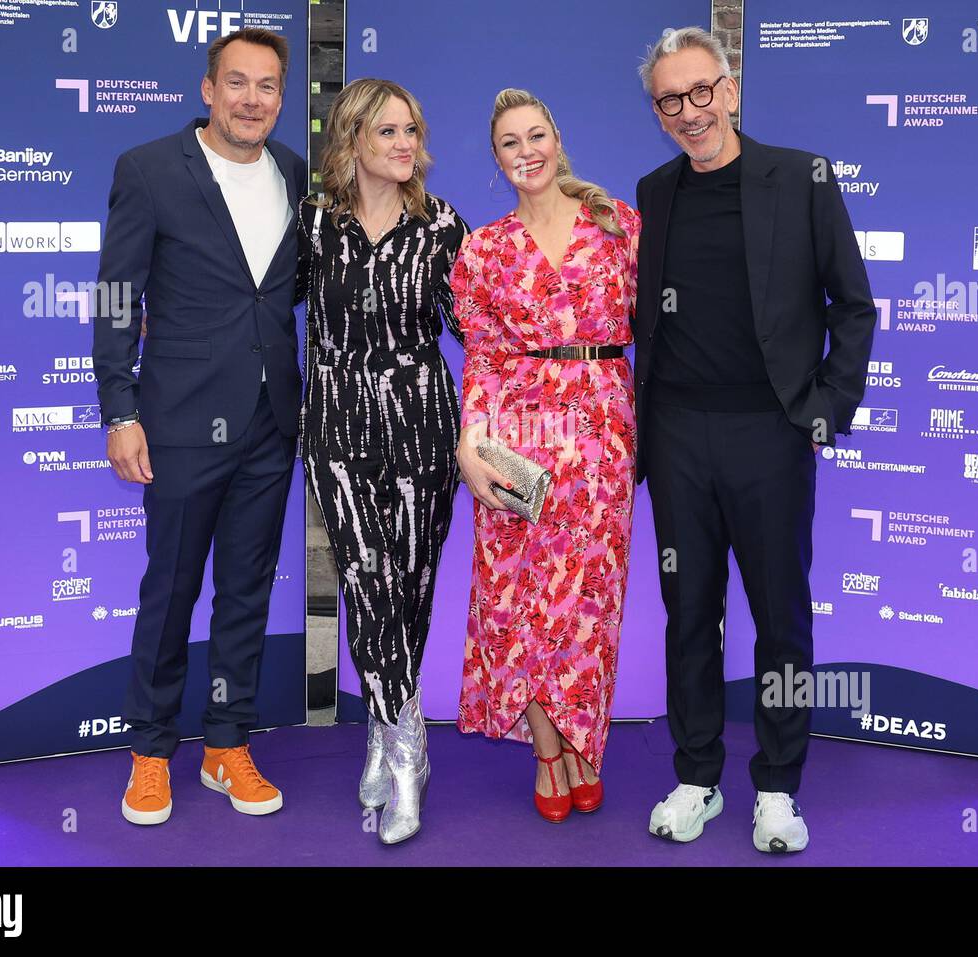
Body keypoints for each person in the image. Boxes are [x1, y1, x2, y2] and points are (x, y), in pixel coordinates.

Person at [634, 27, 876, 851]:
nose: (690, 112)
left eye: (702, 92)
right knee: (688, 613)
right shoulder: (655, 190)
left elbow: (855, 304)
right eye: (671, 99)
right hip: (675, 436)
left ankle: (777, 785)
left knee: (781, 617)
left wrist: (824, 410)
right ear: (658, 112)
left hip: (770, 435)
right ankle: (697, 775)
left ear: (730, 90)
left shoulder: (801, 177)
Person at [93, 28, 307, 826]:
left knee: (246, 591)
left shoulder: (292, 171)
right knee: (172, 591)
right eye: (238, 83)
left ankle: (226, 742)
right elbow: (118, 299)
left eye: (268, 87)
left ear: (281, 98)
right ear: (209, 90)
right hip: (179, 421)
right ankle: (151, 752)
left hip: (269, 421)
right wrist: (119, 410)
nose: (254, 100)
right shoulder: (148, 170)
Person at [454, 88, 639, 823]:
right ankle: (546, 747)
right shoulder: (485, 249)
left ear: (558, 141)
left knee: (590, 600)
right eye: (509, 142)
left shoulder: (619, 225)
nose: (526, 150)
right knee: (518, 599)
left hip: (602, 435)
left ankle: (583, 738)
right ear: (496, 158)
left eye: (536, 135)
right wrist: (470, 446)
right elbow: (479, 359)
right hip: (517, 438)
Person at [296, 78, 468, 844]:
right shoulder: (313, 223)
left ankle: (379, 726)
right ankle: (409, 752)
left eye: (413, 130)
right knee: (364, 577)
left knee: (410, 587)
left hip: (422, 422)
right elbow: (263, 306)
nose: (406, 145)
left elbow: (482, 334)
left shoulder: (441, 227)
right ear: (352, 139)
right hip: (336, 418)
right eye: (389, 131)